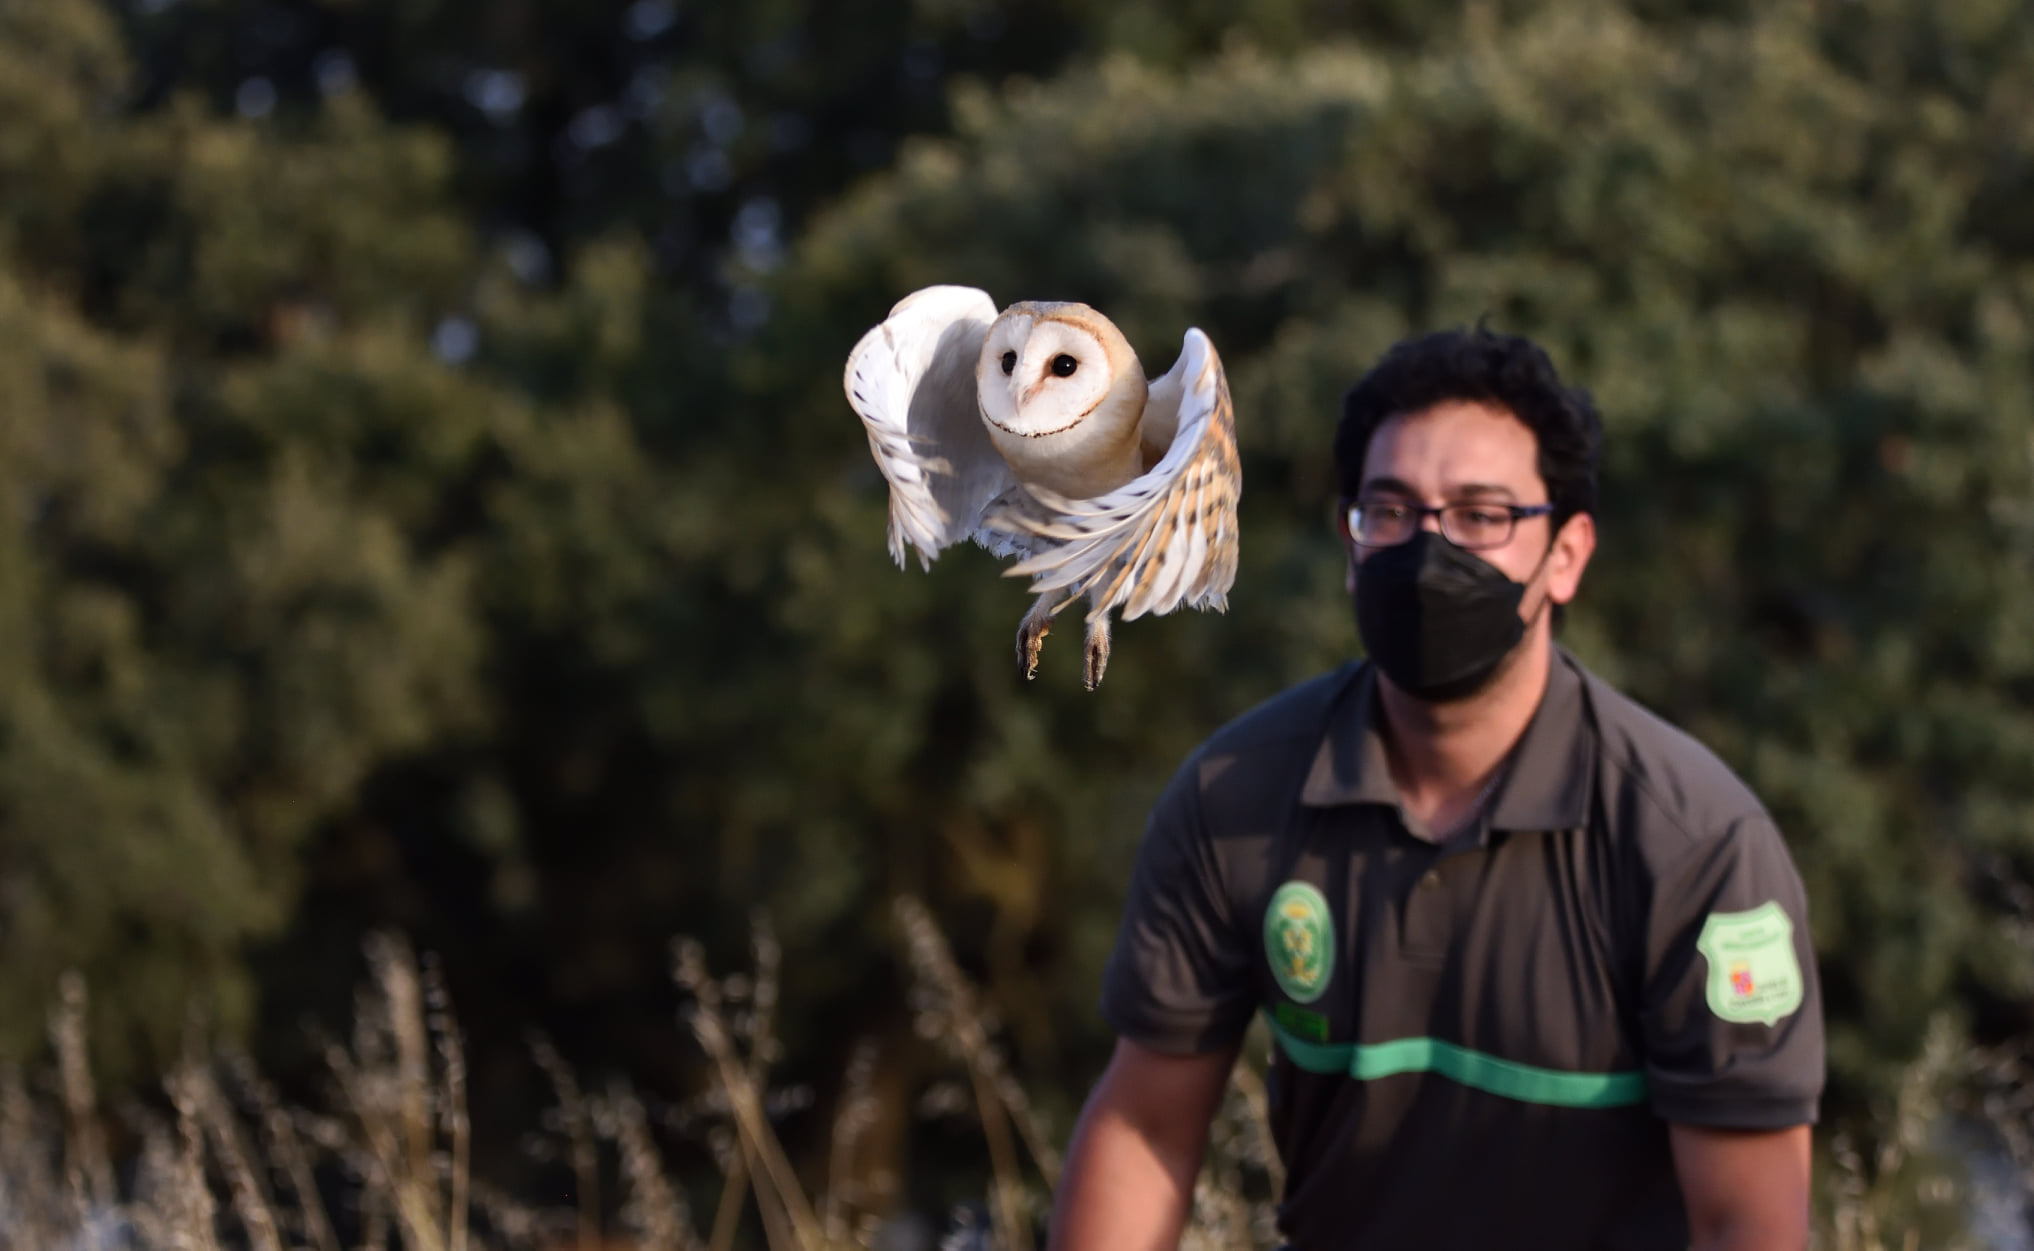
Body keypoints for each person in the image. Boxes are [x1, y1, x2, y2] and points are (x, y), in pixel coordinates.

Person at [1047, 328, 1825, 1250]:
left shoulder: (1694, 844)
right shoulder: (1237, 795)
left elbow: (1748, 1223)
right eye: (1391, 509)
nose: (1428, 548)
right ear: (1351, 541)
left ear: (1567, 555)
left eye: (1482, 514)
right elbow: (1145, 1126)